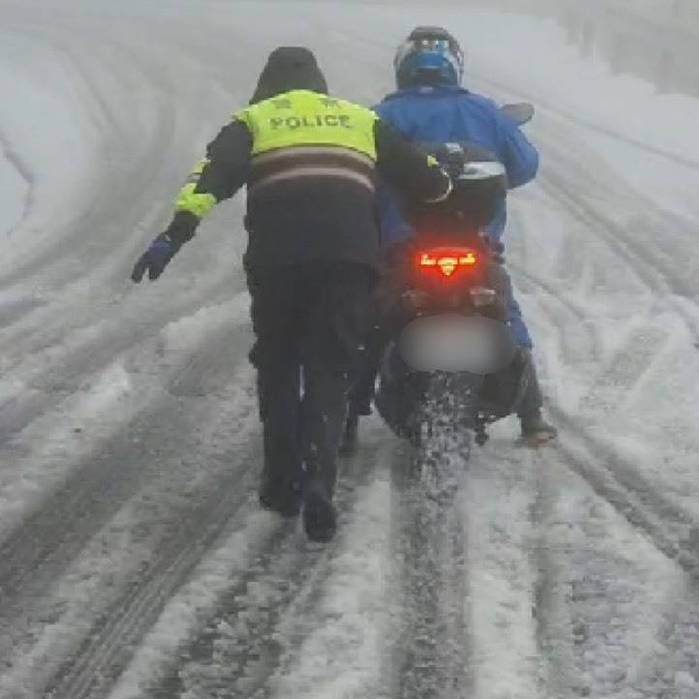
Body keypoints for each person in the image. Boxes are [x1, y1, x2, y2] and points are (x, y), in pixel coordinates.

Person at [131, 47, 452, 542]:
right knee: (330, 367)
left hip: (278, 263)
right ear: (320, 84)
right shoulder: (359, 118)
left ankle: (281, 485)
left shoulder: (254, 119)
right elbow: (428, 178)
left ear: (266, 85)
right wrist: (438, 185)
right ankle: (320, 480)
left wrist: (173, 235)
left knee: (279, 365)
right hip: (349, 261)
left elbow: (209, 179)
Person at [361, 26, 557, 446]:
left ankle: (344, 421)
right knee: (505, 310)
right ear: (455, 65)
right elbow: (524, 168)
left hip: (402, 246)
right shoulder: (484, 112)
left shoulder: (381, 116)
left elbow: (361, 177)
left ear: (403, 66)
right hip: (476, 243)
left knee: (373, 319)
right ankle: (533, 416)